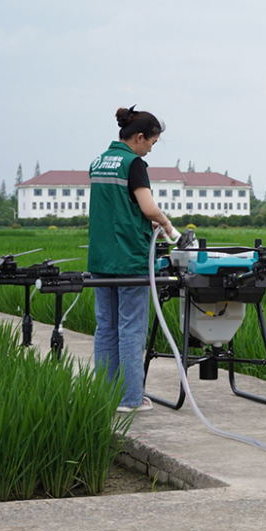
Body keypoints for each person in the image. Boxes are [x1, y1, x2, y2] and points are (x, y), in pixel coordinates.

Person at [88, 106, 175, 412]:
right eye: (151, 143)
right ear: (139, 137)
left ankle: (106, 395)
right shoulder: (134, 163)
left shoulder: (98, 162)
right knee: (130, 328)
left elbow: (118, 211)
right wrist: (166, 225)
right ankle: (130, 399)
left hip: (100, 259)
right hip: (129, 259)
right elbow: (147, 207)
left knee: (105, 327)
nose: (150, 150)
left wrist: (145, 224)